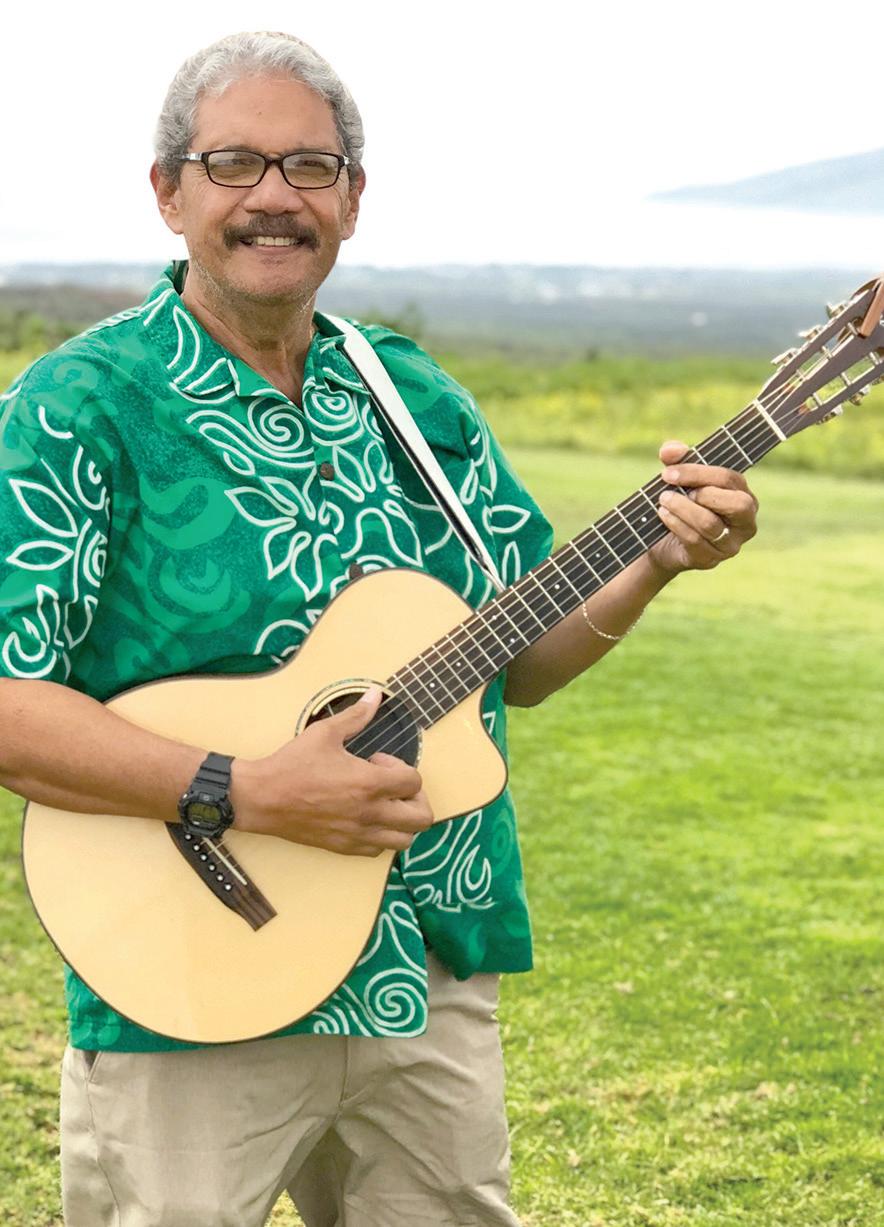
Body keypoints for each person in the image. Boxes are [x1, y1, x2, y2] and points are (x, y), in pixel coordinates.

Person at [0, 30, 759, 1227]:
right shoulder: (77, 407)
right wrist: (249, 788)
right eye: (233, 163)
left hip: (426, 954)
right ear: (168, 192)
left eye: (310, 167)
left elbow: (517, 662)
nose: (273, 196)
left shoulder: (414, 396)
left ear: (351, 199)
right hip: (191, 964)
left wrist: (655, 561)